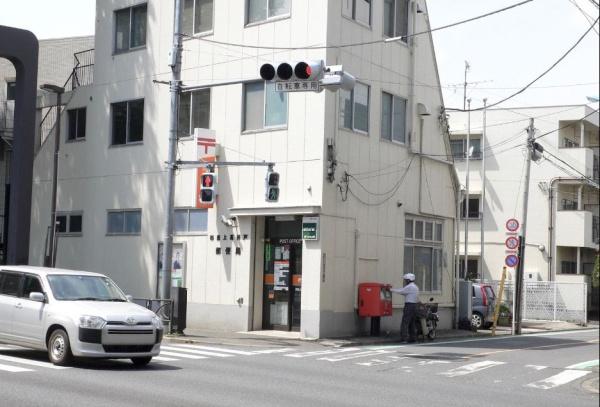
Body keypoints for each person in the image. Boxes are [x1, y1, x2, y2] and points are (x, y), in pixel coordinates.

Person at [391, 273, 419, 343]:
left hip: (409, 305)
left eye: (406, 280)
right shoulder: (415, 287)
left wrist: (391, 290)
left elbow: (401, 291)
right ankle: (413, 338)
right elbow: (405, 292)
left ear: (409, 280)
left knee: (405, 322)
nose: (405, 281)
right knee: (412, 322)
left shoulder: (409, 287)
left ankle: (404, 338)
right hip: (414, 305)